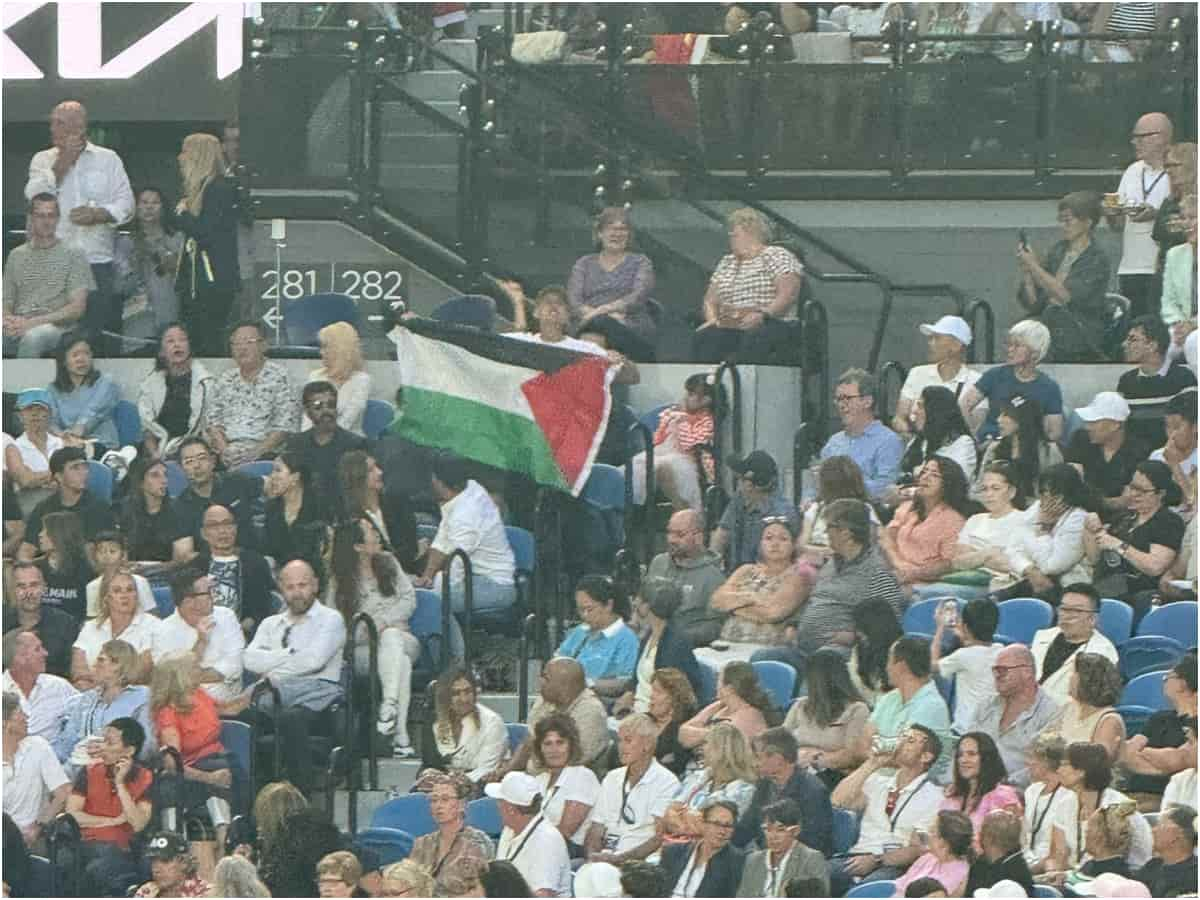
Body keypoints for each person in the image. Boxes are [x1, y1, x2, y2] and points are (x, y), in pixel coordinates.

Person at [24, 100, 134, 352]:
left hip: (98, 263)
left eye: (59, 123)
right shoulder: (42, 160)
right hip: (55, 261)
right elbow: (34, 196)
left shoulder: (108, 159)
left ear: (79, 126)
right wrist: (63, 162)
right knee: (54, 337)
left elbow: (127, 205)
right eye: (52, 122)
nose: (52, 128)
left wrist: (100, 214)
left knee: (99, 335)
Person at [759, 500, 905, 676]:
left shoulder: (877, 573)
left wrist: (853, 636)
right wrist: (794, 624)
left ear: (845, 532)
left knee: (822, 665)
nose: (825, 533)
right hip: (803, 651)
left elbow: (887, 630)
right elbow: (815, 600)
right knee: (762, 658)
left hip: (841, 659)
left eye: (829, 527)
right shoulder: (830, 565)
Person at [243, 559, 347, 796]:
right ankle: (257, 805)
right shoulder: (271, 623)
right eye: (290, 587)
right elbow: (249, 659)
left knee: (291, 718)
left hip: (319, 696)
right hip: (273, 696)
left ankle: (302, 800)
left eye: (303, 585)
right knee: (243, 717)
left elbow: (314, 661)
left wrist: (272, 667)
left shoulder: (330, 619)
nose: (297, 593)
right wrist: (289, 653)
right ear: (281, 589)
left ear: (315, 585)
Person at [328, 516, 420, 757]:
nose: (377, 534)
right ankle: (399, 734)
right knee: (403, 663)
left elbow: (409, 599)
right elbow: (337, 627)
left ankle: (388, 705)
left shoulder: (389, 562)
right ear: (357, 546)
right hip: (361, 649)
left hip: (402, 638)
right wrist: (372, 630)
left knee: (392, 639)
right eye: (370, 531)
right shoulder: (339, 582)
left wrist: (381, 623)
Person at [828, 725, 945, 895]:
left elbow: (916, 849)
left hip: (893, 864)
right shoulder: (878, 781)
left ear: (926, 756)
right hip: (857, 855)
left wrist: (877, 860)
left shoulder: (935, 796)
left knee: (867, 891)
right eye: (902, 737)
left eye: (910, 740)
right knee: (815, 872)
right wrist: (872, 763)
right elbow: (837, 801)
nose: (901, 742)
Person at [693, 207, 804, 364]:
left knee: (756, 336)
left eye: (735, 234)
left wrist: (763, 315)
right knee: (705, 337)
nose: (731, 237)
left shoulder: (775, 255)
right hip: (732, 321)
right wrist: (712, 320)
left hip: (771, 321)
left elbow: (788, 294)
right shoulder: (727, 262)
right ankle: (707, 385)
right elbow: (710, 300)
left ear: (752, 233)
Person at [415, 453, 517, 617]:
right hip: (473, 576)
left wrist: (431, 589)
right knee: (429, 590)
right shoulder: (470, 488)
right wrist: (427, 576)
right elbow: (442, 541)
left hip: (495, 586)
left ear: (439, 483)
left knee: (429, 603)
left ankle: (447, 643)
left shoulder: (466, 515)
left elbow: (455, 571)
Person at [149, 654, 239, 840]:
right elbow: (173, 764)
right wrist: (209, 778)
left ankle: (232, 837)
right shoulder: (168, 712)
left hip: (217, 758)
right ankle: (223, 841)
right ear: (181, 675)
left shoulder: (198, 694)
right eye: (195, 667)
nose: (201, 669)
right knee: (218, 778)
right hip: (191, 771)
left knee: (232, 768)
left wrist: (255, 691)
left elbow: (229, 709)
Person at [1017, 190, 1112, 361]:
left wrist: (1033, 265)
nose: (1063, 226)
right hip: (1049, 321)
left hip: (1079, 326)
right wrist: (1028, 274)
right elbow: (1034, 303)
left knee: (1047, 330)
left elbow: (1066, 296)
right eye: (1061, 221)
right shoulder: (1057, 251)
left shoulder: (1096, 258)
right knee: (1021, 333)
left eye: (1068, 221)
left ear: (1088, 222)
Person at [167, 133, 239, 356]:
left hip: (212, 283)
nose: (180, 158)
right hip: (195, 283)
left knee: (209, 341)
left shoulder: (219, 189)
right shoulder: (198, 191)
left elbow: (207, 234)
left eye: (185, 152)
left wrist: (184, 215)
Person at [65, 716, 154, 897]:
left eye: (110, 742)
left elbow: (138, 824)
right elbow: (72, 814)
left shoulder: (145, 777)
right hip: (88, 844)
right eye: (103, 740)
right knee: (100, 858)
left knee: (115, 861)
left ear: (129, 750)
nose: (102, 747)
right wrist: (112, 821)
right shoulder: (89, 772)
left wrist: (120, 784)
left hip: (125, 848)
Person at [1084, 461, 1185, 616]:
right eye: (1132, 487)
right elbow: (1094, 558)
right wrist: (1091, 531)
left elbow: (1155, 567)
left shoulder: (1168, 522)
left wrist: (1119, 545)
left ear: (1161, 493)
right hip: (1105, 585)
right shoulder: (1125, 517)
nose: (1133, 494)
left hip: (1136, 592)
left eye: (1142, 490)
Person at [2, 193, 92, 358]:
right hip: (20, 322)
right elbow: (6, 301)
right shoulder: (16, 255)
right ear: (31, 218)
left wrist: (31, 323)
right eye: (40, 215)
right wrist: (8, 320)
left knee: (34, 338)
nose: (46, 221)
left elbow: (77, 309)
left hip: (57, 327)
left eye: (51, 215)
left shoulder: (74, 254)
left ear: (58, 219)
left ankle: (26, 384)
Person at [964, 645, 1063, 791]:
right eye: (995, 670)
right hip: (972, 786)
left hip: (1015, 793)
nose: (997, 675)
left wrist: (999, 786)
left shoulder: (1051, 712)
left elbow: (1042, 765)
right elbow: (965, 746)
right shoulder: (985, 706)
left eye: (1003, 670)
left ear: (1027, 672)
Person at [585, 713, 680, 864]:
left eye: (628, 740)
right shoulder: (612, 777)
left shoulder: (667, 782)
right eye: (619, 740)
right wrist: (593, 856)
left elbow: (659, 838)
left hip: (637, 863)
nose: (621, 747)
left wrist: (619, 859)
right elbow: (596, 828)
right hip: (605, 857)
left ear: (647, 745)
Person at [206, 321, 299, 469]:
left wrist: (256, 452)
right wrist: (225, 451)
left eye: (249, 342)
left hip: (265, 454)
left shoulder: (280, 377)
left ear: (263, 346)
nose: (242, 348)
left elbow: (285, 426)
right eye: (236, 343)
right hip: (227, 453)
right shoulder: (225, 379)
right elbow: (212, 422)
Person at [1048, 742, 1153, 871]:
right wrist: (1053, 873)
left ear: (1082, 771)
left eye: (1065, 765)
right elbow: (1058, 855)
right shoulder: (1064, 804)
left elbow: (1110, 859)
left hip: (1121, 875)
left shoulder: (1119, 806)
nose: (1058, 770)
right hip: (1080, 876)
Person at [859, 636, 953, 779]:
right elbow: (863, 742)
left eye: (889, 661)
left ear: (901, 666)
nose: (886, 667)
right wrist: (886, 753)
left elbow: (907, 757)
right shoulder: (888, 698)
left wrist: (877, 749)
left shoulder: (932, 706)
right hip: (877, 781)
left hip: (913, 790)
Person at [710, 518, 810, 649]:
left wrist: (733, 606)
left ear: (793, 545)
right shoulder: (745, 570)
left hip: (764, 648)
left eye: (783, 539)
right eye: (768, 538)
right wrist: (751, 598)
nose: (775, 544)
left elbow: (772, 613)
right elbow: (717, 601)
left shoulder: (798, 575)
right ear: (760, 544)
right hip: (725, 643)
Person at [959, 319, 1064, 442]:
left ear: (1035, 353)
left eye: (1017, 345)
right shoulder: (995, 375)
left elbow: (1054, 432)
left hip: (1025, 449)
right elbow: (964, 404)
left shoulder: (1049, 387)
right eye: (1009, 344)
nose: (1010, 350)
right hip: (990, 444)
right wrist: (972, 437)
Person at [1111, 112, 1173, 319]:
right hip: (1130, 267)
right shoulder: (1132, 171)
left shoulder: (1179, 170)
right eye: (1134, 138)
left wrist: (1156, 215)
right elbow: (1117, 225)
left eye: (1140, 137)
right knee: (1133, 328)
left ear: (1161, 137)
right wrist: (1112, 213)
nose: (1134, 143)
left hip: (1161, 267)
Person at [568, 207, 658, 347]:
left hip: (628, 323)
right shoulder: (584, 263)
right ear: (599, 233)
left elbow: (638, 296)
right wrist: (599, 317)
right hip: (588, 322)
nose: (617, 234)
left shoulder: (641, 262)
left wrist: (604, 312)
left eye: (622, 229)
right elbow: (574, 301)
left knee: (595, 333)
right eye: (611, 228)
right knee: (592, 332)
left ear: (629, 235)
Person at [1004, 464, 1095, 603]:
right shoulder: (1038, 507)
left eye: (1055, 493)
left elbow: (1050, 566)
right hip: (1031, 579)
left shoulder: (1078, 518)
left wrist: (1043, 529)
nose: (1048, 498)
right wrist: (1029, 569)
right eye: (1043, 492)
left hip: (1067, 590)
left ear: (1070, 493)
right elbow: (1011, 548)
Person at [153, 567, 245, 704]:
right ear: (189, 601)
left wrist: (190, 678)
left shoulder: (226, 616)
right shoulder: (162, 631)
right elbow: (169, 679)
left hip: (228, 700)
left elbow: (235, 666)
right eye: (208, 592)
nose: (214, 596)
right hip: (183, 705)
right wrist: (201, 643)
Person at [944, 462, 1035, 599]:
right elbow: (958, 562)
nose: (989, 494)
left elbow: (1009, 564)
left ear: (1011, 492)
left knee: (935, 595)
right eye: (984, 489)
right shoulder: (975, 520)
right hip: (966, 579)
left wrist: (975, 556)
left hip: (1001, 586)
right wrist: (988, 553)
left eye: (995, 488)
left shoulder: (1023, 520)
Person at [782, 649, 870, 788]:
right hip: (796, 770)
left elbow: (852, 755)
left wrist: (815, 759)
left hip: (832, 776)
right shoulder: (801, 705)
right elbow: (780, 741)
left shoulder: (857, 709)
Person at [880, 456, 971, 591]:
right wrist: (897, 563)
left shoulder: (954, 520)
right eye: (924, 471)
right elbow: (887, 537)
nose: (925, 477)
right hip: (893, 571)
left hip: (922, 584)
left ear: (948, 484)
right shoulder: (908, 507)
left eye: (935, 475)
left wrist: (912, 573)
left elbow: (949, 564)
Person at [612, 578, 701, 716]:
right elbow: (637, 679)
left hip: (654, 718)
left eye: (638, 598)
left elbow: (674, 698)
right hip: (634, 710)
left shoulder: (675, 645)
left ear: (648, 606)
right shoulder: (649, 634)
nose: (634, 602)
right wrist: (629, 693)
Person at [1120, 652, 1198, 808]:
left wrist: (1144, 754)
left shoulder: (1195, 726)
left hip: (1168, 796)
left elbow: (1183, 760)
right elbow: (1126, 753)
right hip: (1132, 793)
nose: (1163, 683)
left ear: (1182, 683)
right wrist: (1164, 767)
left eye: (1167, 678)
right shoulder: (1159, 718)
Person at [738, 727, 833, 855]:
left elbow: (813, 842)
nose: (755, 763)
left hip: (802, 863)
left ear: (778, 758)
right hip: (768, 856)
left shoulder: (813, 791)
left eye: (758, 757)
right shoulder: (765, 785)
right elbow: (747, 826)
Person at [629, 373, 716, 511]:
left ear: (707, 400)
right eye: (688, 392)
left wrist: (683, 422)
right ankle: (633, 505)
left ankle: (684, 511)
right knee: (637, 465)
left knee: (663, 468)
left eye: (692, 394)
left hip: (684, 457)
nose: (686, 397)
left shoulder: (705, 419)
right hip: (662, 451)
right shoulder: (674, 412)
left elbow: (691, 444)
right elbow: (657, 438)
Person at [817, 368, 905, 500]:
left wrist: (842, 488)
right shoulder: (834, 442)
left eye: (847, 398)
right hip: (829, 510)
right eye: (838, 399)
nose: (841, 405)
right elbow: (818, 483)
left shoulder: (888, 441)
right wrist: (808, 499)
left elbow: (885, 487)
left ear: (867, 402)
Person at [113, 187, 185, 343]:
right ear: (136, 207)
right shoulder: (124, 242)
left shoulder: (177, 239)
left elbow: (183, 278)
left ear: (163, 207)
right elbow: (119, 288)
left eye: (155, 202)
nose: (149, 207)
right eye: (144, 202)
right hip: (136, 321)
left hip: (168, 316)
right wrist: (133, 263)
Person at [20, 446, 115, 564]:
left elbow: (95, 551)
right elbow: (27, 548)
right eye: (75, 468)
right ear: (59, 476)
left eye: (85, 467)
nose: (83, 473)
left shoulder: (99, 508)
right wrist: (26, 564)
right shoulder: (44, 508)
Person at [171, 437, 264, 558]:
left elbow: (273, 487)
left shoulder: (237, 481)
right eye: (189, 462)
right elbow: (185, 554)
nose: (197, 465)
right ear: (181, 469)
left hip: (253, 559)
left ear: (213, 461)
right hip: (210, 565)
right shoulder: (180, 506)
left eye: (202, 458)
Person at [192, 504, 276, 636]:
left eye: (227, 524)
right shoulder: (195, 567)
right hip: (203, 634)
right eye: (214, 526)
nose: (222, 531)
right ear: (203, 533)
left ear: (235, 528)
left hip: (244, 635)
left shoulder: (255, 563)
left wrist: (236, 631)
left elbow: (262, 611)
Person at [665, 723, 758, 841]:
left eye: (706, 743)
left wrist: (683, 816)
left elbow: (716, 828)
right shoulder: (697, 777)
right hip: (677, 844)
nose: (702, 748)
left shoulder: (743, 790)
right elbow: (668, 812)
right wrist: (687, 824)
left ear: (722, 749)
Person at [1, 691, 71, 848]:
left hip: (37, 837)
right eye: (20, 713)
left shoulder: (38, 746)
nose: (27, 717)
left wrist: (39, 826)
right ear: (4, 722)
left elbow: (63, 792)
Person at [485, 771, 572, 897]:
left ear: (510, 809)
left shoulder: (547, 840)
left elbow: (543, 895)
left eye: (500, 801)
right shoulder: (509, 829)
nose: (497, 805)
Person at [516, 658, 609, 773]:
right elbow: (529, 741)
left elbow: (573, 761)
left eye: (546, 678)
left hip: (570, 782)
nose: (540, 681)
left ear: (564, 686)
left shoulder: (591, 711)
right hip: (534, 778)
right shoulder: (545, 700)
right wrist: (506, 771)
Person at [648, 511, 727, 647]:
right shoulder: (658, 562)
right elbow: (643, 602)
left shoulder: (714, 577)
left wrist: (680, 638)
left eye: (679, 535)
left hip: (685, 647)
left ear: (699, 537)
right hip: (649, 639)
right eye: (669, 532)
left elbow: (716, 626)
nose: (671, 539)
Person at [421, 665, 508, 788]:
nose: (464, 699)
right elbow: (429, 763)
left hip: (478, 786)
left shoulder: (492, 723)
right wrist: (427, 774)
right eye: (456, 693)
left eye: (468, 692)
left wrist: (451, 782)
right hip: (443, 785)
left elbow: (486, 770)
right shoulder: (436, 721)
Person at [72, 571, 163, 689]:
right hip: (91, 694)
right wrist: (87, 683)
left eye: (130, 590)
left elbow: (141, 672)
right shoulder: (90, 627)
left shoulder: (154, 626)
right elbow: (79, 670)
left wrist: (103, 684)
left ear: (137, 595)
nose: (124, 595)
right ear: (106, 598)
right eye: (117, 591)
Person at [710, 450, 799, 570]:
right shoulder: (739, 500)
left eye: (740, 479)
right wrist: (711, 567)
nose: (739, 485)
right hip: (735, 577)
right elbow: (721, 535)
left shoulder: (783, 514)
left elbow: (781, 561)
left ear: (749, 485)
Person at [893, 316, 980, 438]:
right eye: (931, 338)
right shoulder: (917, 373)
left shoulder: (976, 381)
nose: (930, 343)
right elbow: (899, 418)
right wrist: (914, 438)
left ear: (956, 345)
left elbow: (975, 430)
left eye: (937, 338)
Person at [136, 323, 214, 460]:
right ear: (161, 351)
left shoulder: (206, 382)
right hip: (158, 448)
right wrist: (156, 455)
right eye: (170, 341)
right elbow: (148, 430)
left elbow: (208, 427)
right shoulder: (150, 384)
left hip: (193, 448)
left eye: (182, 339)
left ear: (190, 346)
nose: (177, 345)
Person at [1031, 584, 1118, 704]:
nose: (1067, 616)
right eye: (1064, 609)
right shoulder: (1042, 637)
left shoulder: (1103, 652)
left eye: (1076, 610)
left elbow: (1091, 700)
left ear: (1092, 618)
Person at [408, 773, 495, 894]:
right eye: (434, 800)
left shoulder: (477, 843)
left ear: (462, 804)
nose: (438, 805)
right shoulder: (422, 843)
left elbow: (483, 891)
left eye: (445, 799)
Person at [1117, 316, 1196, 449]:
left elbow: (1188, 428)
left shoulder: (1184, 378)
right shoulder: (1126, 381)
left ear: (1152, 345)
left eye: (1133, 339)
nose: (1124, 344)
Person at [336, 449, 418, 574]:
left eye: (377, 467)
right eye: (371, 470)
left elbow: (411, 549)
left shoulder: (398, 503)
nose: (380, 472)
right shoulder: (348, 517)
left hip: (408, 572)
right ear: (357, 477)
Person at [527, 715, 600, 854]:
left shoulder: (582, 776)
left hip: (569, 850)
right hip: (539, 846)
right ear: (540, 749)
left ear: (571, 746)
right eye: (547, 744)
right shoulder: (539, 779)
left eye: (560, 742)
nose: (554, 750)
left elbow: (565, 832)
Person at [286, 381, 368, 503]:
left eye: (331, 404)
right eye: (318, 406)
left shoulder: (355, 444)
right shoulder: (296, 443)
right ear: (307, 411)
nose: (326, 411)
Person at [1067, 391, 1149, 511]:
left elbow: (1127, 501)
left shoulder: (1139, 451)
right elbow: (1070, 483)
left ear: (1115, 425)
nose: (1087, 427)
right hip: (1078, 514)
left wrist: (1089, 502)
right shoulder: (1080, 439)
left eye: (1093, 422)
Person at [554, 575, 639, 690]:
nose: (584, 615)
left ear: (609, 605)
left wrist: (587, 684)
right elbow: (558, 660)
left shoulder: (627, 639)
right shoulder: (580, 631)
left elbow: (624, 682)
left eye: (589, 609)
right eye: (580, 610)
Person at [931, 599, 1003, 734]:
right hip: (992, 731)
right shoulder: (1001, 650)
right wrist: (963, 633)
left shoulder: (962, 656)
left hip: (965, 731)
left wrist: (940, 628)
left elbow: (931, 665)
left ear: (965, 626)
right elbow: (977, 652)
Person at [736, 798, 829, 897]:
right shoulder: (753, 860)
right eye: (768, 829)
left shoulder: (812, 859)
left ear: (796, 831)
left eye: (780, 830)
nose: (773, 836)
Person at [976, 396, 1063, 501]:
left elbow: (1055, 492)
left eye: (1006, 415)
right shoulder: (995, 447)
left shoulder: (1048, 451)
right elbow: (980, 485)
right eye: (1000, 414)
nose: (999, 420)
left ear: (1023, 419)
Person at [46, 332, 121, 452]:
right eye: (75, 355)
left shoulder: (106, 383)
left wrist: (74, 435)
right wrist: (61, 435)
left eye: (86, 353)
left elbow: (92, 412)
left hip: (101, 445)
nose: (81, 359)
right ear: (64, 361)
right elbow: (50, 421)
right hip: (68, 445)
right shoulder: (53, 390)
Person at [4, 562, 80, 679]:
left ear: (44, 588)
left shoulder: (66, 624)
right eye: (21, 586)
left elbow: (73, 673)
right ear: (11, 590)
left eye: (34, 585)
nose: (29, 592)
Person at [796, 456, 873, 568]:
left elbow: (868, 546)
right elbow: (801, 545)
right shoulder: (816, 508)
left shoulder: (864, 510)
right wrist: (825, 551)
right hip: (814, 565)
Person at [895, 386, 978, 491]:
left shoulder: (963, 444)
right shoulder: (920, 440)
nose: (915, 411)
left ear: (935, 411)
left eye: (920, 406)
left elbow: (952, 486)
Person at [2, 627, 77, 741]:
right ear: (19, 658)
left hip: (52, 755)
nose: (45, 653)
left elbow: (84, 713)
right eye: (37, 649)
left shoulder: (58, 686)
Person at [263, 452, 330, 579]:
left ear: (295, 477)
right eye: (273, 471)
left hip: (316, 577)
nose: (272, 476)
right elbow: (270, 550)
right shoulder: (271, 508)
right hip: (283, 578)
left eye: (278, 471)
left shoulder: (319, 506)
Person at [660, 799, 746, 898]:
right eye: (716, 824)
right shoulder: (673, 852)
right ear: (703, 824)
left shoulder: (738, 862)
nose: (722, 831)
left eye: (728, 826)